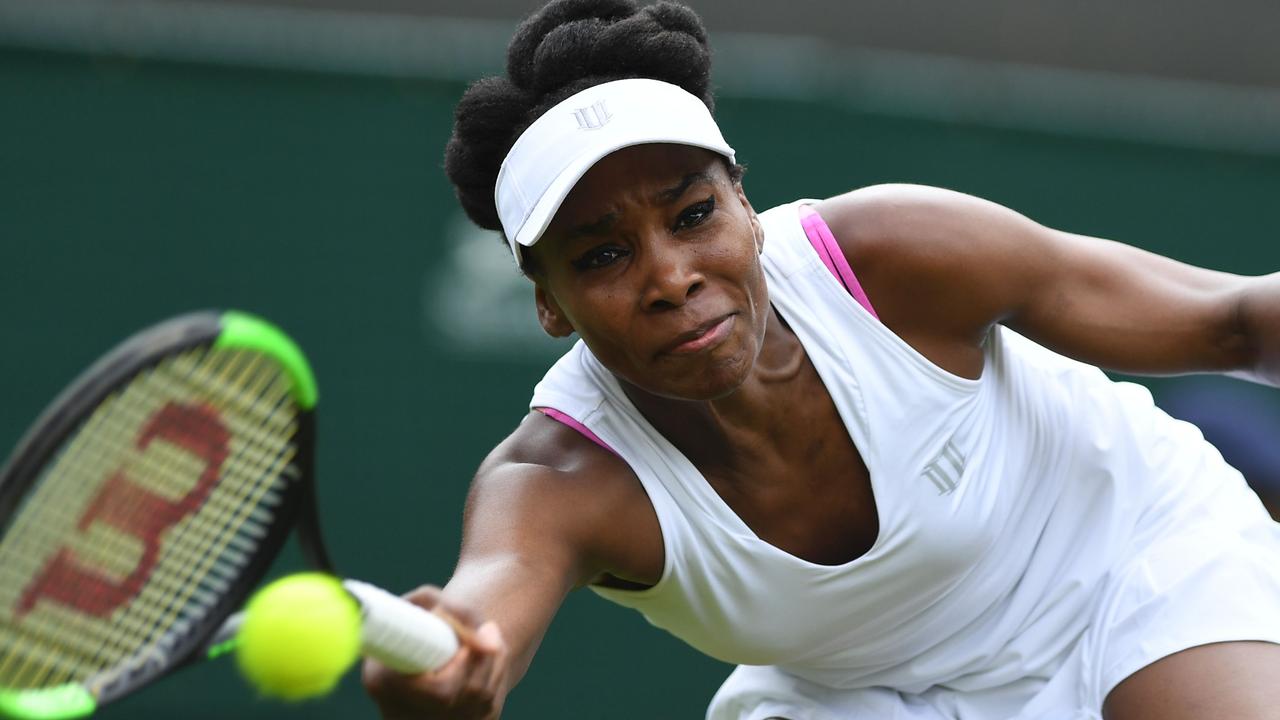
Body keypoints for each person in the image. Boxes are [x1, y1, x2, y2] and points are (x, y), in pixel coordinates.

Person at [362, 0, 1280, 717]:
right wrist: (445, 664)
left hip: (1129, 557)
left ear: (745, 208)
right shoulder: (560, 479)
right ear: (549, 303)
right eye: (604, 255)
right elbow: (483, 619)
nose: (671, 277)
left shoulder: (898, 253)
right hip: (859, 697)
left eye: (692, 216)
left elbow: (1234, 319)